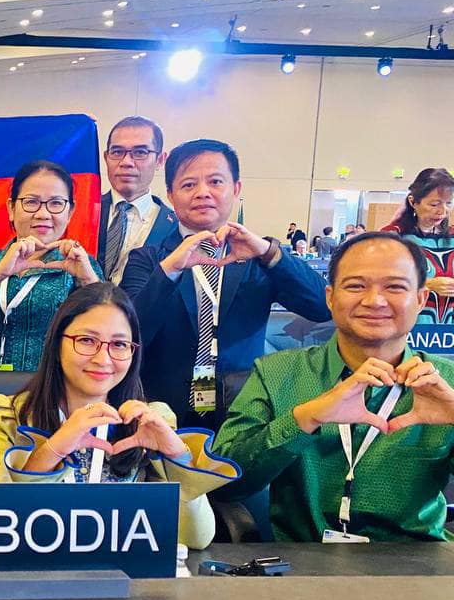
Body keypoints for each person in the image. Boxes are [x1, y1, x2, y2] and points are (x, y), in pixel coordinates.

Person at [215, 232, 454, 541]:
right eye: (356, 286)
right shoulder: (277, 373)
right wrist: (304, 419)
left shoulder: (446, 382)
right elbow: (224, 482)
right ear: (330, 297)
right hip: (304, 560)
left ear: (420, 299)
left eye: (394, 287)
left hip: (418, 560)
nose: (374, 301)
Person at [0, 283, 238, 548]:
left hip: (125, 569)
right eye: (86, 340)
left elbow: (196, 539)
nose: (103, 359)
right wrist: (53, 450)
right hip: (38, 568)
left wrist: (177, 457)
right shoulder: (9, 415)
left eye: (119, 344)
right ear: (56, 345)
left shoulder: (149, 421)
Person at [121, 139, 330, 431]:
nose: (202, 192)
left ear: (236, 188)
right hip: (162, 408)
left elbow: (323, 306)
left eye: (215, 181)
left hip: (244, 406)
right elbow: (129, 333)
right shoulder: (148, 259)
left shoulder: (258, 258)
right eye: (188, 184)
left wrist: (268, 252)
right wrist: (170, 269)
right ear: (170, 194)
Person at [0, 159, 103, 371]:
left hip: (49, 388)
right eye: (31, 202)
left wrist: (88, 279)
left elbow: (104, 328)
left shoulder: (81, 266)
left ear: (70, 212)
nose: (43, 214)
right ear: (11, 208)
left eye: (56, 203)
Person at [99, 116, 177, 283]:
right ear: (106, 158)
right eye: (117, 152)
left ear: (160, 160)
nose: (126, 162)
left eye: (140, 152)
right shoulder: (81, 212)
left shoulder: (175, 227)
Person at [380, 167, 454, 237]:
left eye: (449, 203)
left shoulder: (452, 234)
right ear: (412, 202)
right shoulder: (394, 235)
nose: (442, 211)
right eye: (434, 204)